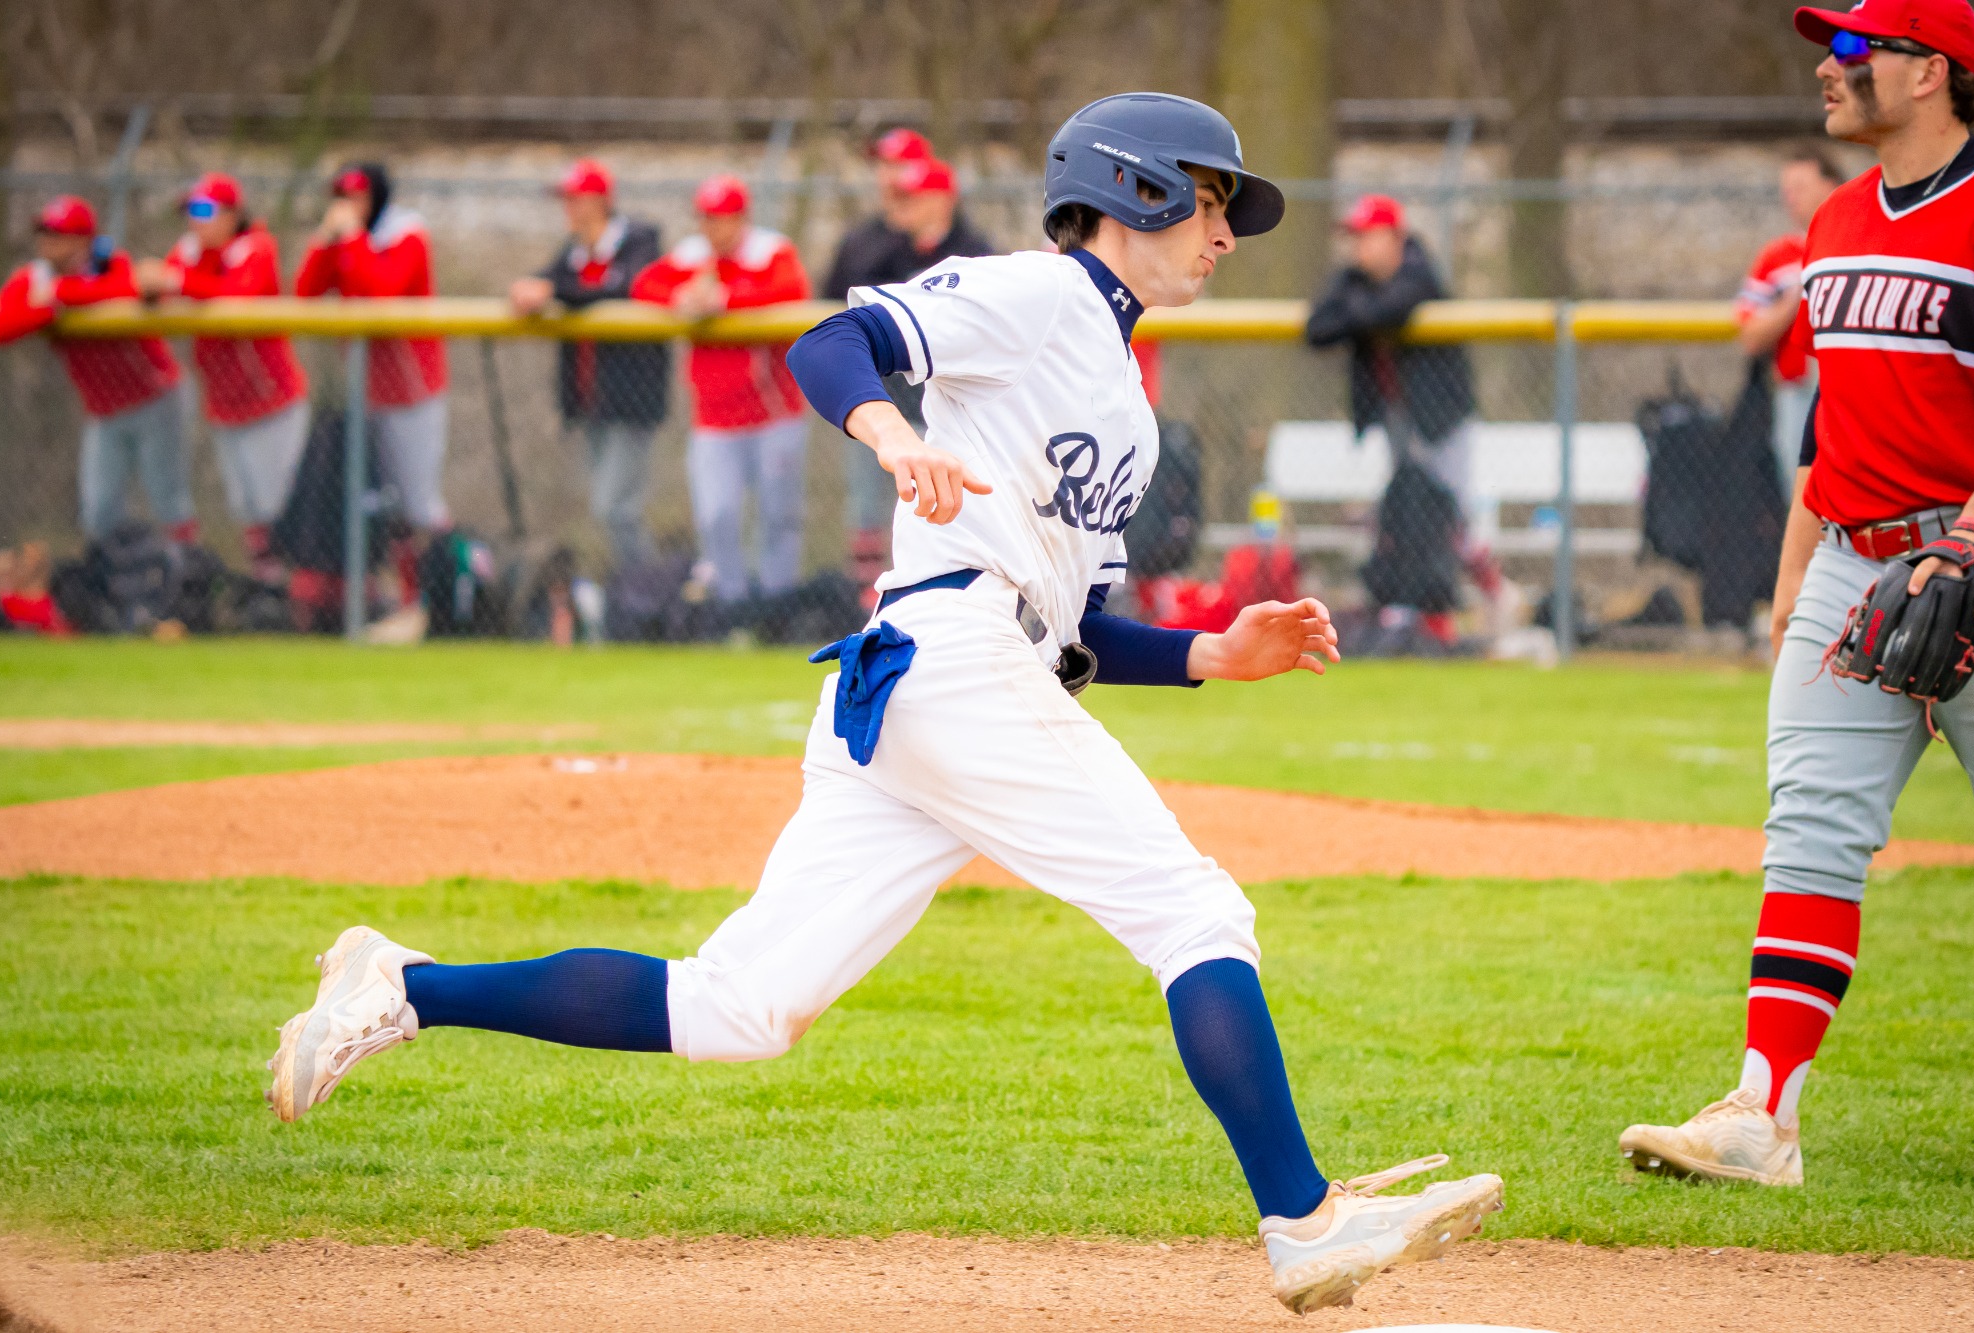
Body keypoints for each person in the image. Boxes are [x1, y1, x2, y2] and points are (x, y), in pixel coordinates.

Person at [264, 93, 1503, 1316]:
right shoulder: (1040, 290)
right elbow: (828, 344)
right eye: (1213, 201)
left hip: (940, 672)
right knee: (1191, 910)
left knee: (734, 1006)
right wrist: (886, 433)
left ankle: (402, 987)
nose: (1223, 236)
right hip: (948, 653)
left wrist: (1209, 658)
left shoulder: (1125, 397)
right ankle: (1301, 1218)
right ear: (1139, 190)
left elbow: (1074, 636)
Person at [1620, 0, 1974, 1188]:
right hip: (1851, 563)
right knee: (1809, 837)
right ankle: (1760, 1115)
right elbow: (1834, 425)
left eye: (1853, 50)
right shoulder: (1832, 218)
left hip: (1968, 558)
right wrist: (1791, 582)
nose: (1828, 69)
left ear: (1929, 71)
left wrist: (1964, 545)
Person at [1306, 194, 1506, 650]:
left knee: (1450, 516)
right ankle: (1425, 619)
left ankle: (1492, 602)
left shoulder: (1419, 271)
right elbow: (1318, 327)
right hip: (1395, 417)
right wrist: (1358, 309)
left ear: (1395, 237)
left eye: (1368, 236)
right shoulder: (1354, 279)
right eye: (1354, 238)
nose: (1359, 248)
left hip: (1440, 418)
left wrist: (1352, 312)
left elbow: (1388, 310)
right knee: (1408, 516)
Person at [631, 174, 811, 611]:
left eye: (723, 219)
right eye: (707, 219)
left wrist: (726, 298)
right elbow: (643, 287)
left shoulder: (771, 251)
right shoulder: (692, 255)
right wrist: (684, 295)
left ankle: (777, 602)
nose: (714, 228)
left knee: (778, 516)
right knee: (717, 516)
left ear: (742, 218)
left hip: (773, 412)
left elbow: (791, 291)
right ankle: (730, 604)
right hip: (713, 416)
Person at [822, 148, 997, 593]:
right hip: (882, 401)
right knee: (867, 506)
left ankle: (937, 590)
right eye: (898, 199)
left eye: (912, 198)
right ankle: (866, 597)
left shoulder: (975, 254)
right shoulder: (876, 246)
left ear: (942, 200)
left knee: (941, 505)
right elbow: (833, 300)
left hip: (950, 408)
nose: (899, 208)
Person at [0, 195, 192, 545]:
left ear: (83, 240)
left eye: (58, 233)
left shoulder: (110, 262)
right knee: (98, 509)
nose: (46, 241)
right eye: (44, 232)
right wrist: (50, 307)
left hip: (154, 399)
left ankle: (187, 575)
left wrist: (58, 295)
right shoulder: (35, 276)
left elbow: (128, 288)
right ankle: (110, 576)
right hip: (103, 411)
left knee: (167, 500)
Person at [135, 172, 309, 580]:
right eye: (190, 212)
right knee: (245, 506)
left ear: (233, 214)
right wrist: (149, 285)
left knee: (276, 503)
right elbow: (164, 288)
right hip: (224, 403)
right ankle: (269, 590)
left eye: (204, 210)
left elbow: (239, 294)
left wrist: (176, 281)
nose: (195, 221)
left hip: (272, 401)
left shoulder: (256, 246)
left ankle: (298, 589)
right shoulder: (191, 250)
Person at [295, 162, 449, 606]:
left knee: (419, 503)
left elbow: (382, 293)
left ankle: (441, 600)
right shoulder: (347, 240)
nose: (348, 206)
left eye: (358, 196)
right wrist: (325, 241)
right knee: (383, 504)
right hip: (369, 392)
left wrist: (352, 239)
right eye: (342, 197)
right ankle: (404, 601)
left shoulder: (407, 234)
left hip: (413, 392)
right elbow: (306, 292)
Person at [508, 158, 670, 574]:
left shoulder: (639, 240)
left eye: (577, 199)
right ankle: (635, 593)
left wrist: (554, 289)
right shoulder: (574, 251)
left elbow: (622, 286)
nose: (570, 208)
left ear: (601, 201)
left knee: (615, 507)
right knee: (607, 507)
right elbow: (547, 279)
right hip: (590, 399)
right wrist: (530, 286)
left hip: (631, 401)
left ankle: (648, 592)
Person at [1737, 147, 1846, 492]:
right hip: (1797, 393)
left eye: (1800, 185)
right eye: (1786, 187)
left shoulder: (1860, 245)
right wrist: (1794, 297)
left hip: (1853, 393)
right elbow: (1750, 335)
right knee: (1802, 495)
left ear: (1830, 185)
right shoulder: (1779, 255)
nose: (1790, 196)